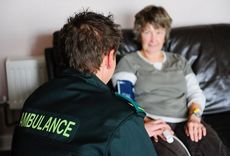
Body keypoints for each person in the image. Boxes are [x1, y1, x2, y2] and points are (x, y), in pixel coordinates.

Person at [11, 10, 157, 156]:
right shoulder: (122, 117)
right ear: (109, 57)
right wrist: (129, 132)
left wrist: (129, 134)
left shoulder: (35, 98)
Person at [112, 5, 229, 156]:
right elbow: (126, 98)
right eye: (148, 32)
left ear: (165, 34)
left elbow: (195, 93)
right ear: (139, 33)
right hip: (152, 121)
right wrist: (145, 122)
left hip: (186, 120)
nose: (153, 39)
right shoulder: (129, 61)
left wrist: (194, 117)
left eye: (158, 32)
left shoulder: (179, 61)